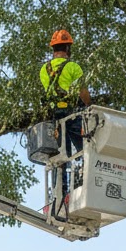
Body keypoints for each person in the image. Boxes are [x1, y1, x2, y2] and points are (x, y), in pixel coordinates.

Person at [40, 29, 92, 200]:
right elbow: (82, 92)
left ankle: (60, 194)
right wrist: (90, 106)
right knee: (86, 150)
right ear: (68, 49)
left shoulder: (44, 70)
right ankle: (84, 182)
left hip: (54, 118)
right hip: (71, 115)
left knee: (60, 157)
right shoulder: (73, 67)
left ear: (53, 49)